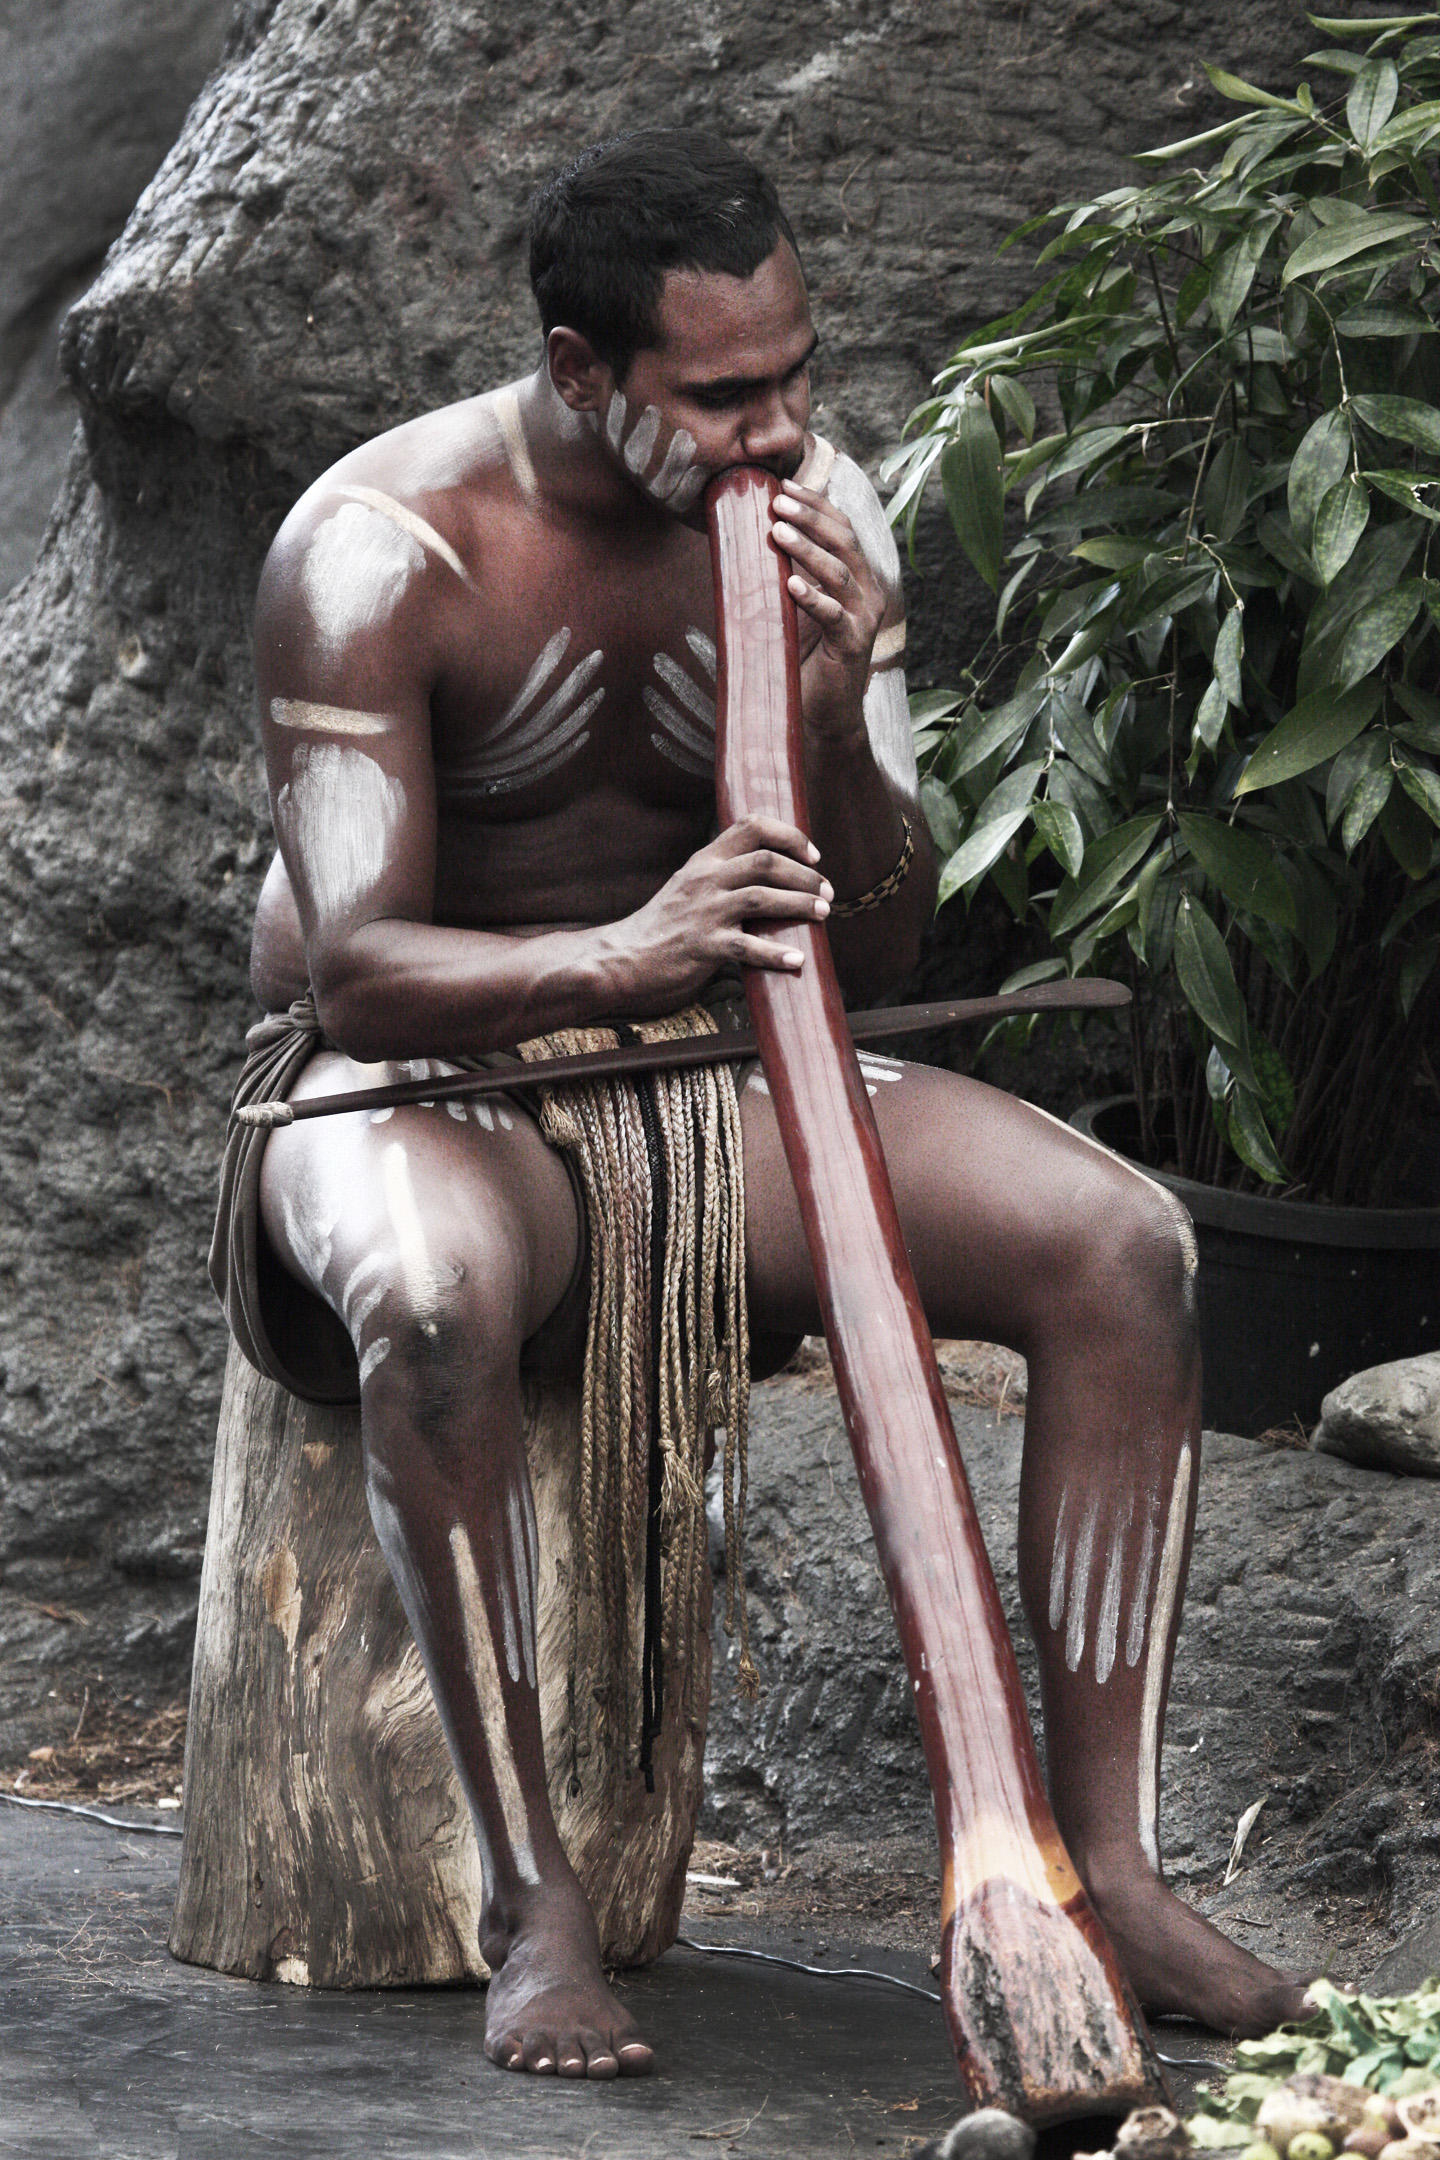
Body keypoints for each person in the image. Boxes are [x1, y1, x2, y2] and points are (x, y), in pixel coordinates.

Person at [220, 129, 1310, 2081]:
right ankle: (531, 1896)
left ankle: (1109, 1872)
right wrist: (619, 952)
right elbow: (351, 963)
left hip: (725, 1058)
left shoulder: (830, 516)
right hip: (421, 1072)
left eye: (796, 374)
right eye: (723, 394)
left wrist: (821, 701)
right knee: (434, 1294)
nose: (777, 426)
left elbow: (877, 946)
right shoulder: (384, 546)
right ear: (576, 369)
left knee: (1120, 1241)